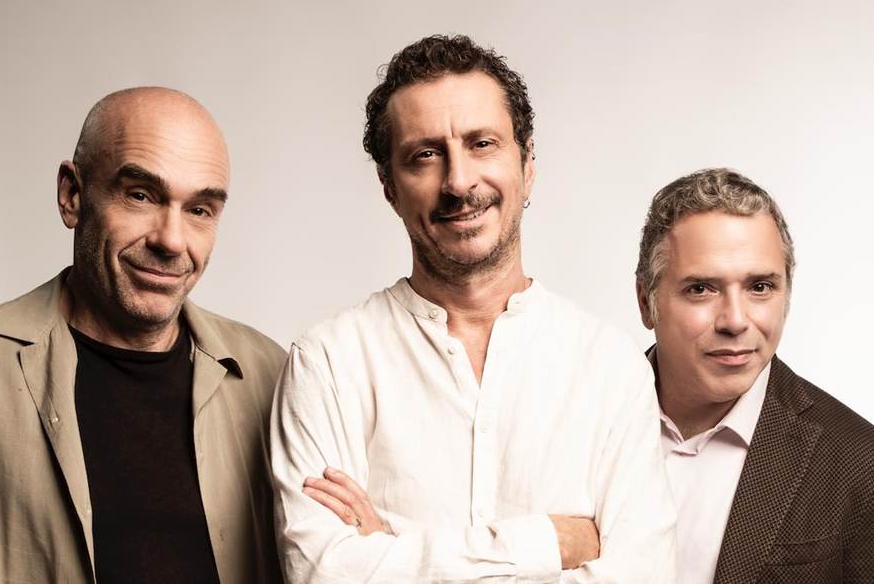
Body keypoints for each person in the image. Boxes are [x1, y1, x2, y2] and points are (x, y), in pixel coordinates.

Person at [271, 34, 676, 583]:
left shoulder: (610, 366)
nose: (459, 182)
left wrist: (393, 550)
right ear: (389, 187)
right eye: (425, 155)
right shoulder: (327, 364)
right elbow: (323, 575)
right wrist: (548, 543)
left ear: (527, 165)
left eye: (482, 144)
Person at [0, 87, 285, 584]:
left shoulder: (272, 377)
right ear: (72, 195)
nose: (171, 240)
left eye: (200, 209)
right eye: (141, 195)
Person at [635, 168, 874, 583]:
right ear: (646, 302)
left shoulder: (858, 461)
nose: (735, 320)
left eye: (760, 287)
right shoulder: (573, 420)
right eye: (701, 289)